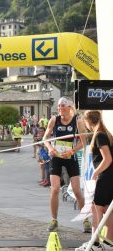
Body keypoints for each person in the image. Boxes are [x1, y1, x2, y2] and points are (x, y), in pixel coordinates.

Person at [43, 96, 91, 232]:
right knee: (55, 188)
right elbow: (45, 138)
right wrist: (50, 148)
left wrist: (72, 151)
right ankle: (54, 220)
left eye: (62, 105)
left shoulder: (78, 121)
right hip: (56, 157)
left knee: (76, 190)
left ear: (70, 107)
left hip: (70, 156)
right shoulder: (54, 120)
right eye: (58, 106)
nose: (60, 108)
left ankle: (86, 220)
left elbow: (83, 142)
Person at [75, 111, 113, 251]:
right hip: (110, 176)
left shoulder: (100, 135)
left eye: (85, 123)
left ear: (89, 121)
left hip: (105, 176)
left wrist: (95, 173)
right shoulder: (108, 134)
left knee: (95, 209)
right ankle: (108, 243)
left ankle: (95, 243)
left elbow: (107, 158)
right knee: (108, 210)